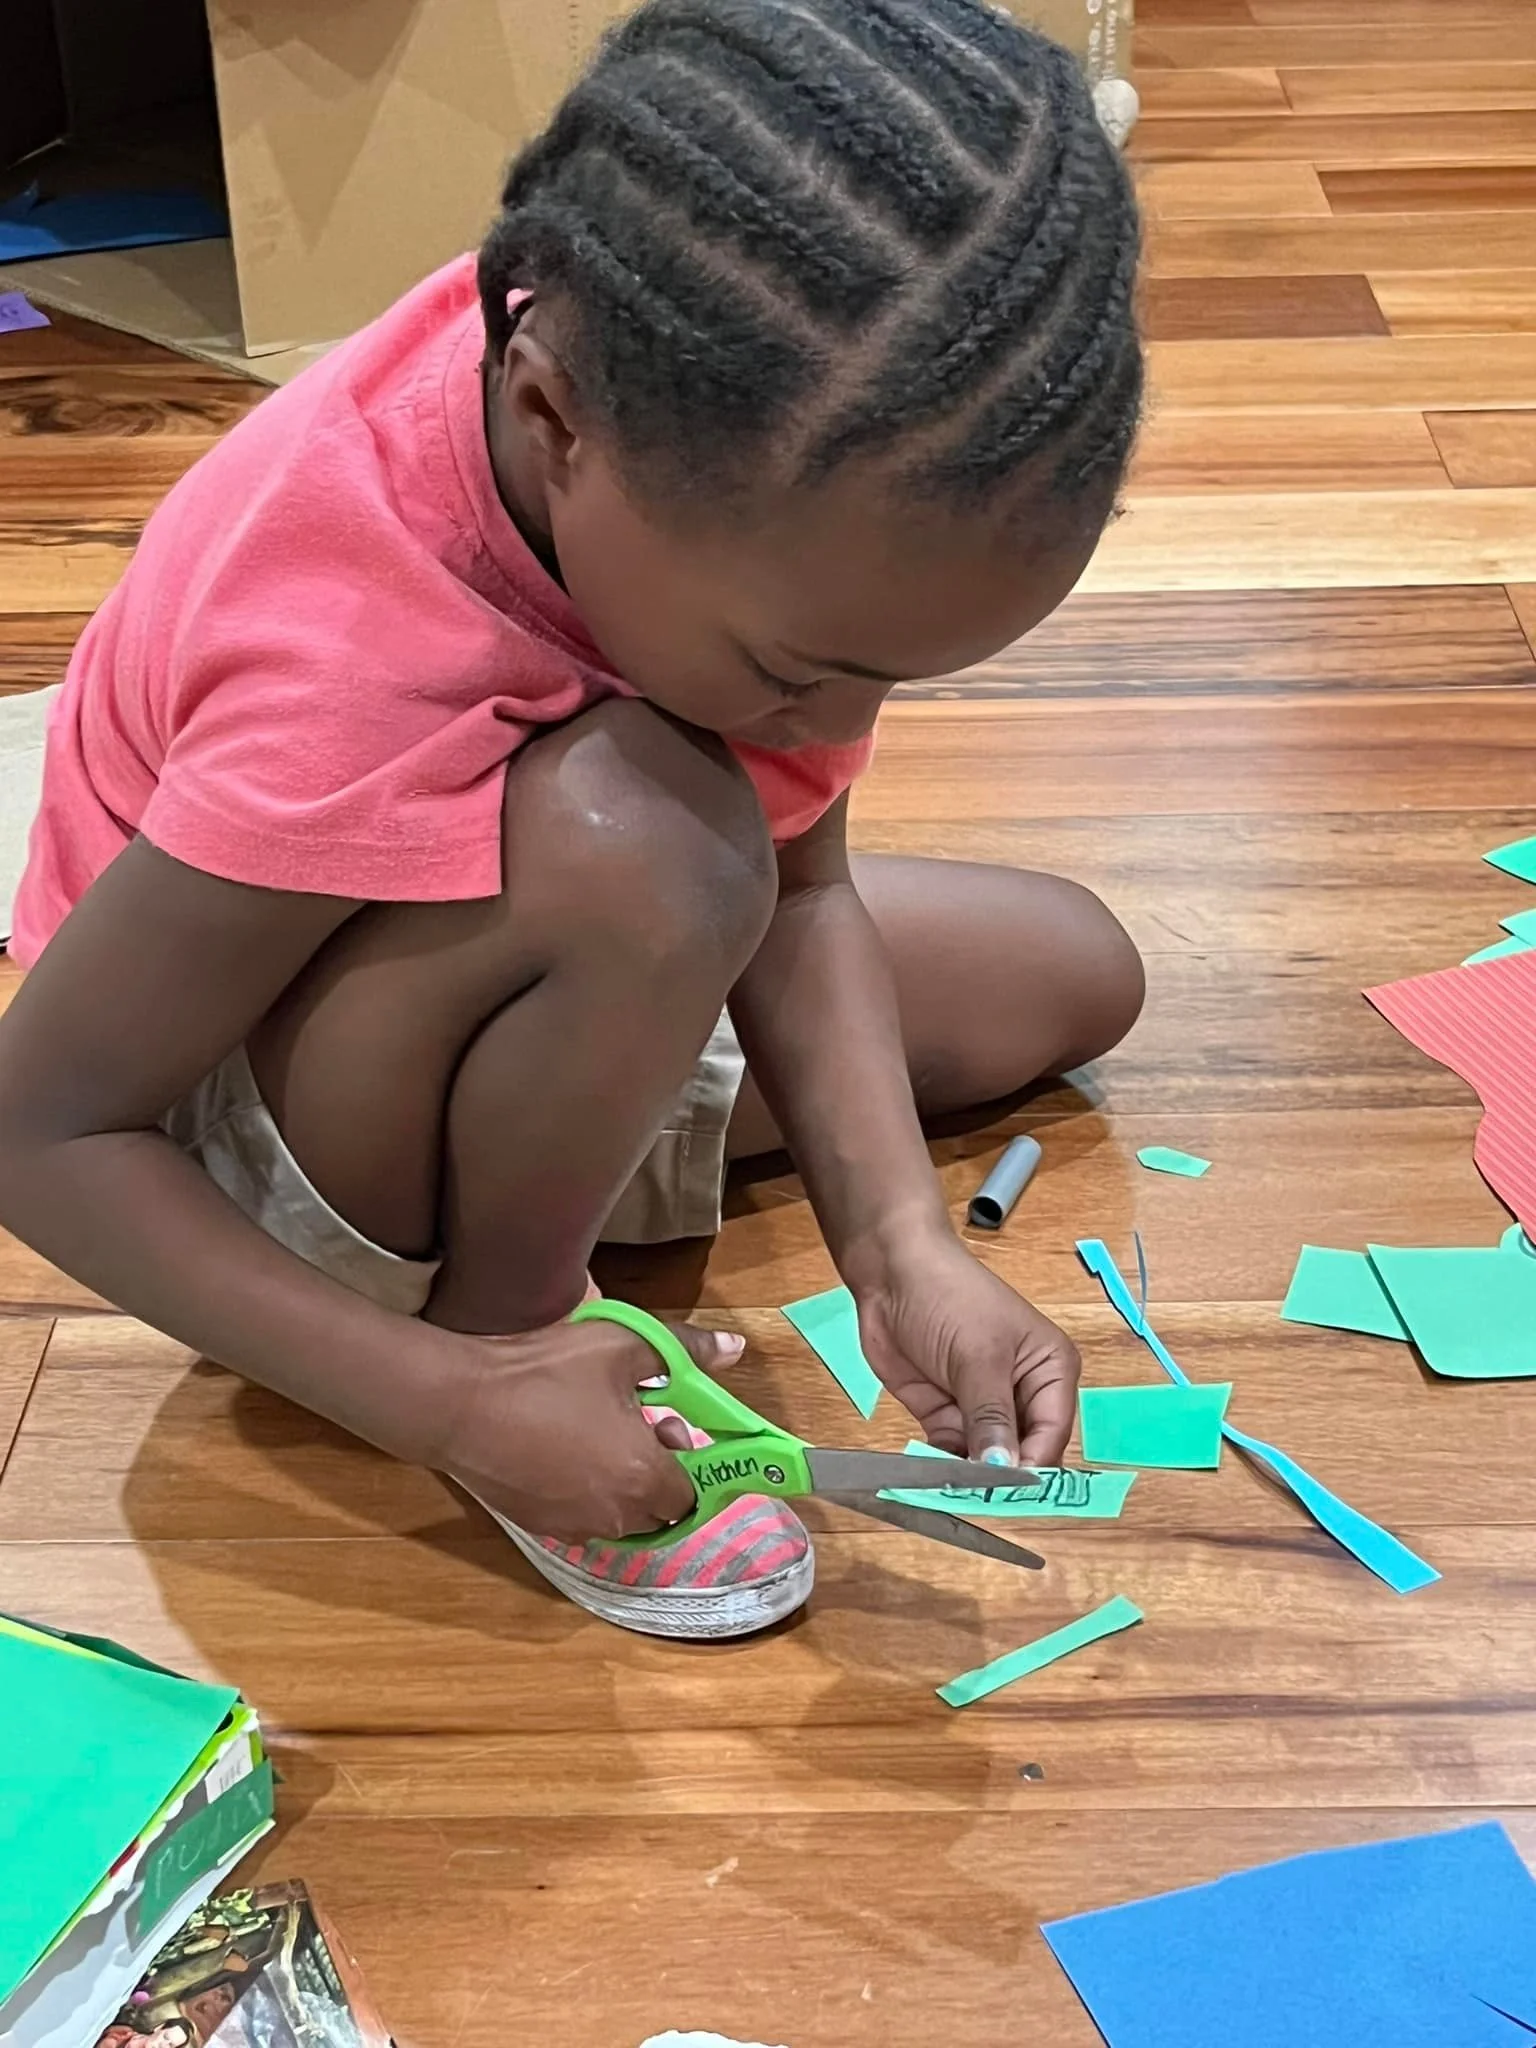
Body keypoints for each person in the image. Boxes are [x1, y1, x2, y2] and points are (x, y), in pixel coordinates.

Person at [0, 0, 1144, 1640]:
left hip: (516, 909)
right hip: (220, 1105)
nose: (842, 732)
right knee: (660, 845)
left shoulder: (690, 407)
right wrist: (455, 1408)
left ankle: (570, 1073)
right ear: (546, 421)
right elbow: (41, 1135)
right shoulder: (341, 651)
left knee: (1070, 969)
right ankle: (503, 1320)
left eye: (896, 681)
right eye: (805, 672)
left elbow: (802, 880)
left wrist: (900, 1251)